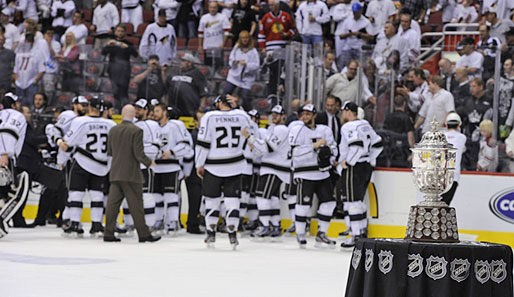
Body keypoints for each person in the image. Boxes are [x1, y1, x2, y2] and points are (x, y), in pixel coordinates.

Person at [195, 95, 252, 249]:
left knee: (212, 200)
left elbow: (203, 142)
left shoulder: (209, 117)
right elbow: (252, 132)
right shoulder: (241, 115)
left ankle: (211, 231)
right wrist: (238, 107)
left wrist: (199, 163)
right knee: (232, 200)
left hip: (213, 165)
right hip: (235, 164)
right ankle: (232, 232)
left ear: (219, 103)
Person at [58, 98, 116, 237]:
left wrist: (61, 159)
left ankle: (75, 224)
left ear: (89, 107)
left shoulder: (80, 121)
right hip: (102, 165)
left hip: (82, 162)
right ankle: (96, 225)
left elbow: (68, 143)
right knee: (97, 195)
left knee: (76, 194)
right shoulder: (111, 124)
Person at [104, 104, 160, 243]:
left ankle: (108, 232)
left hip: (116, 172)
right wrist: (150, 162)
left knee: (112, 205)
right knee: (137, 206)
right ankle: (143, 234)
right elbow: (138, 154)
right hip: (131, 174)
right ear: (134, 115)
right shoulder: (137, 131)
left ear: (122, 115)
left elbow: (110, 151)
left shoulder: (113, 130)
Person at [288, 104, 338, 248]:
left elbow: (334, 148)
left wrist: (328, 153)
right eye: (303, 114)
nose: (305, 116)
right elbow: (294, 153)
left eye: (308, 114)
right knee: (303, 205)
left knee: (329, 203)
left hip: (322, 173)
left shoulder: (325, 130)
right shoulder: (296, 130)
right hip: (304, 173)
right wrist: (314, 146)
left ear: (314, 115)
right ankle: (300, 233)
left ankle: (322, 233)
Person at [338, 101, 383, 248]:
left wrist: (348, 162)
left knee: (352, 201)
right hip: (365, 166)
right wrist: (370, 159)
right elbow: (378, 144)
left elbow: (356, 145)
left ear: (348, 112)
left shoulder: (348, 126)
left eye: (343, 111)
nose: (342, 114)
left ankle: (355, 234)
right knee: (358, 200)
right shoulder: (365, 124)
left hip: (354, 167)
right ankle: (361, 231)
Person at [243, 105, 289, 238]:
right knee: (273, 198)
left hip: (273, 168)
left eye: (277, 114)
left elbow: (268, 148)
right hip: (275, 167)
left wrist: (249, 137)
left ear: (283, 116)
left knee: (262, 196)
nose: (273, 116)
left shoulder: (281, 129)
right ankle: (275, 226)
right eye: (272, 114)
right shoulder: (274, 129)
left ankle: (264, 226)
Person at [151, 103, 193, 234]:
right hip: (155, 167)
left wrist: (172, 152)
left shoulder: (176, 125)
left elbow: (186, 145)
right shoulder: (152, 127)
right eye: (154, 111)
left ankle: (173, 222)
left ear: (165, 112)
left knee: (171, 196)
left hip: (171, 167)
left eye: (157, 111)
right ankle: (158, 221)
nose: (154, 113)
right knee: (156, 197)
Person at [0, 94, 29, 238]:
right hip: (5, 157)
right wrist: (4, 154)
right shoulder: (16, 115)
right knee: (11, 193)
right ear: (13, 105)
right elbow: (8, 131)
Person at [258, 0, 295, 96]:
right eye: (269, 5)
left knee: (282, 69)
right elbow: (261, 34)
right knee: (272, 70)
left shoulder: (286, 16)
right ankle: (271, 93)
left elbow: (293, 29)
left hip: (283, 47)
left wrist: (287, 34)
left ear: (277, 5)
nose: (270, 7)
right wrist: (263, 47)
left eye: (272, 5)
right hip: (270, 47)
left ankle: (281, 91)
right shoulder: (266, 18)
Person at [101, 24, 138, 112]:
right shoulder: (111, 43)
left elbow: (135, 54)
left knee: (123, 92)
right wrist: (107, 45)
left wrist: (125, 46)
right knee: (114, 91)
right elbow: (103, 52)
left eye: (122, 31)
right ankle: (115, 109)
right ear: (115, 32)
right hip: (113, 71)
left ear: (125, 32)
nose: (120, 33)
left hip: (124, 72)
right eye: (118, 31)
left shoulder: (128, 43)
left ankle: (125, 110)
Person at [461, 78, 493, 171]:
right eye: (470, 86)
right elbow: (465, 117)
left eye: (474, 86)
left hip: (483, 136)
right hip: (470, 136)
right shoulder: (467, 100)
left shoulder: (489, 100)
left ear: (481, 87)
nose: (471, 88)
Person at [224, 30, 260, 111]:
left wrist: (246, 65)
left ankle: (247, 112)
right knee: (226, 92)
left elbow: (256, 65)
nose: (245, 40)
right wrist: (235, 62)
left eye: (246, 38)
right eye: (243, 38)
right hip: (234, 76)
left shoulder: (253, 51)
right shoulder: (236, 48)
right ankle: (225, 109)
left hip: (247, 78)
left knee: (244, 96)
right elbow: (231, 59)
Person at [14, 29, 45, 108]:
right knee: (19, 104)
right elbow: (15, 68)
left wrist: (35, 80)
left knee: (31, 105)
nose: (28, 42)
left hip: (31, 83)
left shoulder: (38, 53)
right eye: (27, 40)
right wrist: (17, 80)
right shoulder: (19, 53)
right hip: (19, 83)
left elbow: (41, 69)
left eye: (30, 41)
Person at [337, 3, 373, 68]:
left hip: (360, 47)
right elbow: (341, 36)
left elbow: (371, 36)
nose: (355, 13)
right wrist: (349, 34)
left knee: (361, 66)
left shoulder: (366, 22)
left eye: (356, 12)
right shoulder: (347, 21)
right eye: (354, 12)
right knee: (344, 65)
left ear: (360, 11)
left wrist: (360, 34)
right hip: (348, 46)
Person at [442, 113, 466, 205]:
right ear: (459, 125)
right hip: (453, 176)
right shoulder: (462, 137)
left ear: (446, 125)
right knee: (446, 204)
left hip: (439, 175)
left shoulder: (441, 136)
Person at [198, 2, 230, 70]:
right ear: (208, 8)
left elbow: (226, 32)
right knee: (208, 66)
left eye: (214, 7)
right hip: (207, 46)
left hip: (218, 47)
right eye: (211, 7)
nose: (213, 9)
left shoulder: (223, 17)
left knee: (219, 66)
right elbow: (200, 33)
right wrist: (200, 45)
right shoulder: (204, 17)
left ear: (217, 8)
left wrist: (223, 44)